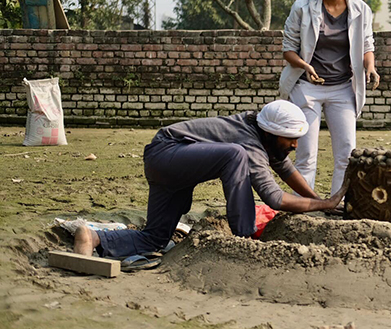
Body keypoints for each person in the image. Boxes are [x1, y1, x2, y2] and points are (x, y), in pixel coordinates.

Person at [73, 100, 345, 258]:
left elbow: (287, 171)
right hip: (167, 152)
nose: (295, 146)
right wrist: (326, 205)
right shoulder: (249, 143)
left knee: (155, 239)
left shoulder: (265, 136)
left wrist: (319, 199)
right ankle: (244, 234)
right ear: (272, 134)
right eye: (291, 140)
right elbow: (274, 198)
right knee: (235, 155)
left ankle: (92, 238)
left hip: (170, 166)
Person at [279, 0, 380, 201]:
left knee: (347, 154)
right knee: (306, 154)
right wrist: (306, 66)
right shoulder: (303, 7)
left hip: (343, 88)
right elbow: (288, 49)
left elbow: (367, 44)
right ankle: (305, 205)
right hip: (306, 88)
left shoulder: (360, 9)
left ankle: (338, 203)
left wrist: (370, 67)